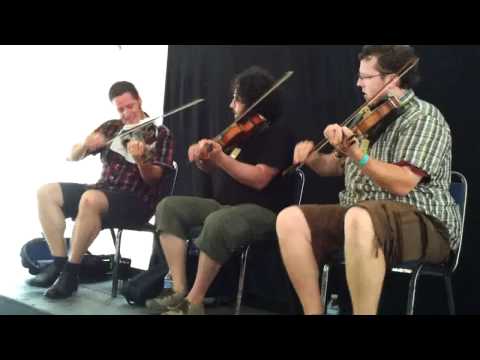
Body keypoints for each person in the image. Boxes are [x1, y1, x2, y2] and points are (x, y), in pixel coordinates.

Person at [276, 45, 461, 315]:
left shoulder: (424, 117)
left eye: (366, 77)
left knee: (360, 217)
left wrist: (358, 155)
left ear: (392, 79)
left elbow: (403, 182)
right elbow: (335, 167)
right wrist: (314, 159)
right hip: (361, 216)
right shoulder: (367, 116)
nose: (358, 83)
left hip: (425, 221)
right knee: (290, 219)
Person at [146, 66, 294, 315]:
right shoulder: (239, 134)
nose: (231, 104)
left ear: (253, 99)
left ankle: (194, 301)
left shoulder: (279, 133)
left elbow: (260, 178)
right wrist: (202, 157)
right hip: (225, 206)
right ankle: (179, 289)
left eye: (236, 98)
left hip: (264, 212)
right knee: (168, 207)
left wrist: (222, 159)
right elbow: (212, 168)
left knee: (219, 220)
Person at [28, 81, 174, 299]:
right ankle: (59, 265)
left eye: (130, 106)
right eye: (121, 109)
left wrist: (141, 159)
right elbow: (72, 157)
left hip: (136, 201)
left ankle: (70, 274)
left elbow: (154, 180)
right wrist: (86, 145)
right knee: (46, 192)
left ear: (140, 100)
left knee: (90, 199)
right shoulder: (112, 128)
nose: (127, 113)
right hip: (102, 190)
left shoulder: (160, 133)